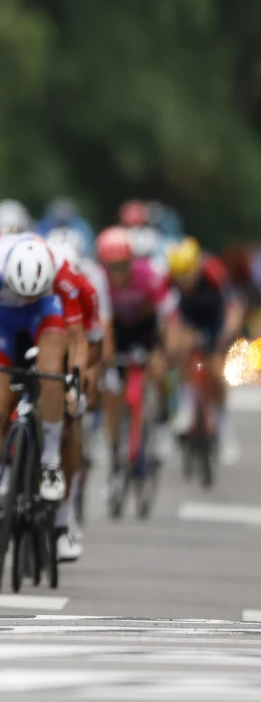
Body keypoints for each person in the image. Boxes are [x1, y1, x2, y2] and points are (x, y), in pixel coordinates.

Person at [0, 234, 82, 556]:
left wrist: (75, 380)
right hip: (0, 321)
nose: (25, 298)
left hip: (47, 314)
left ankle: (51, 461)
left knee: (51, 371)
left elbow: (78, 334)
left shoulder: (63, 270)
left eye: (32, 294)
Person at [44, 228, 106, 563]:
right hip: (37, 339)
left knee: (73, 419)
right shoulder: (36, 279)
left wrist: (78, 385)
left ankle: (65, 518)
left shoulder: (86, 288)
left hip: (73, 348)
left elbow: (89, 344)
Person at [95, 224, 171, 493]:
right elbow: (99, 323)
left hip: (145, 327)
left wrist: (161, 349)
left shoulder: (148, 275)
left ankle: (160, 422)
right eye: (111, 266)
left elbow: (164, 316)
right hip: (116, 331)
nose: (117, 272)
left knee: (159, 370)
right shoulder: (98, 280)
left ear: (131, 261)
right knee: (112, 393)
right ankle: (115, 453)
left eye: (122, 265)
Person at [164, 237, 242, 449]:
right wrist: (174, 343)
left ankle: (224, 425)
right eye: (181, 277)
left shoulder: (213, 272)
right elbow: (170, 318)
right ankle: (185, 404)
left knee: (218, 373)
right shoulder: (169, 280)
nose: (186, 281)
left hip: (214, 319)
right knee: (181, 352)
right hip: (189, 320)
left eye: (189, 275)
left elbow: (233, 307)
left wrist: (226, 332)